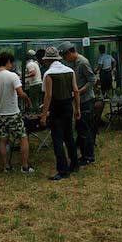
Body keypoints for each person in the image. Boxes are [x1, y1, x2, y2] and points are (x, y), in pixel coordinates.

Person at [0, 52, 34, 174]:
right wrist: (28, 100)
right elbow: (20, 93)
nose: (12, 65)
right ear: (8, 61)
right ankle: (25, 166)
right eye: (11, 62)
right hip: (13, 113)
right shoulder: (13, 76)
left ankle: (6, 167)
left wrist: (0, 99)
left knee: (2, 140)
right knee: (23, 137)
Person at [40, 46, 80, 181]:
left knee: (57, 139)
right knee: (69, 136)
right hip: (68, 106)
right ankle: (74, 164)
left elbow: (48, 96)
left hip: (56, 107)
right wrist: (77, 109)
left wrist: (44, 115)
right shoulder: (70, 71)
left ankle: (62, 170)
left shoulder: (49, 74)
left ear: (47, 60)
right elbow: (76, 91)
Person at [59, 41, 97, 165]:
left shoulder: (83, 62)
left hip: (86, 99)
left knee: (85, 129)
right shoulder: (72, 63)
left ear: (70, 52)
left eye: (65, 56)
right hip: (78, 99)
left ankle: (89, 157)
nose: (65, 59)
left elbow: (92, 80)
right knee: (80, 128)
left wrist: (79, 91)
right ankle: (84, 153)